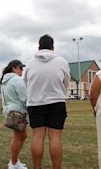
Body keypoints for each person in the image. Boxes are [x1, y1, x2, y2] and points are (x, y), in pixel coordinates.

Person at [23, 34, 70, 169]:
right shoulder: (62, 62)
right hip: (57, 102)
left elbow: (26, 83)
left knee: (37, 136)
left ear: (38, 47)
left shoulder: (29, 63)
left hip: (35, 103)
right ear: (53, 47)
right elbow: (66, 82)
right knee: (55, 137)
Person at [1, 60, 28, 169]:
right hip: (18, 111)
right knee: (18, 137)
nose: (22, 70)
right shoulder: (17, 80)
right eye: (20, 68)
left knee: (22, 136)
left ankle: (15, 160)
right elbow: (24, 98)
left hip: (10, 110)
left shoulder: (5, 80)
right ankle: (13, 163)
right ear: (14, 68)